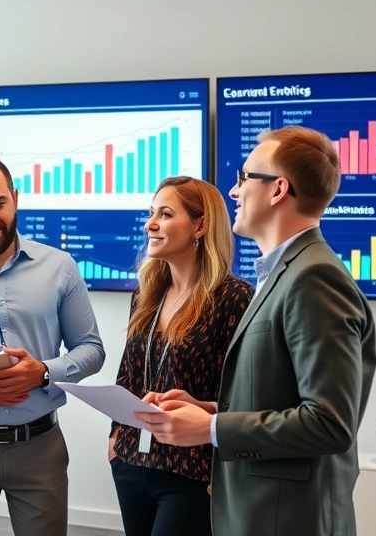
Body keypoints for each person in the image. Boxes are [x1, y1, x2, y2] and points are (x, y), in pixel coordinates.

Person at [134, 126, 376, 536]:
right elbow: (280, 397)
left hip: (287, 518)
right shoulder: (286, 273)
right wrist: (209, 410)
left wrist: (210, 429)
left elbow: (329, 423)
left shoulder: (314, 277)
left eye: (245, 177)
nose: (234, 192)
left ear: (278, 189)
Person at [0, 154, 106, 536]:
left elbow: (91, 349)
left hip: (39, 446)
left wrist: (43, 371)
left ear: (15, 197)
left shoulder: (59, 266)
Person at [108, 176, 252, 536]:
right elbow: (129, 373)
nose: (150, 223)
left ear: (200, 225)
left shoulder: (234, 298)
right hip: (132, 461)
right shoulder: (147, 294)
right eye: (151, 213)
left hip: (192, 470)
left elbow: (244, 395)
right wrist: (115, 439)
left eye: (166, 214)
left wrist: (228, 470)